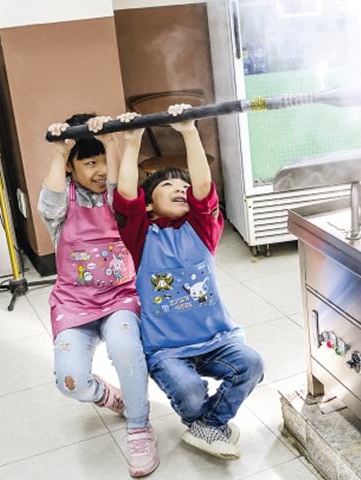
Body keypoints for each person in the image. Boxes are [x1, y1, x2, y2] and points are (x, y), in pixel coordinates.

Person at [113, 105, 264, 460]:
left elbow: (203, 188)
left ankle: (209, 426)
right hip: (167, 350)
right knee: (189, 391)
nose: (180, 189)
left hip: (217, 339)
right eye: (167, 185)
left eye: (183, 185)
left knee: (252, 364)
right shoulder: (141, 236)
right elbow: (125, 199)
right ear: (148, 206)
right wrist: (131, 141)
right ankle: (208, 422)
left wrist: (188, 131)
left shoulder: (203, 230)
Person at [39, 114, 158, 478]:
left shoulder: (114, 196)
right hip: (74, 305)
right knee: (70, 382)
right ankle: (112, 397)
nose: (101, 170)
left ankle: (139, 426)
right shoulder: (61, 204)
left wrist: (111, 143)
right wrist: (60, 152)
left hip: (119, 297)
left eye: (104, 161)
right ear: (72, 168)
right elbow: (52, 201)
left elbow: (125, 186)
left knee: (125, 349)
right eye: (90, 163)